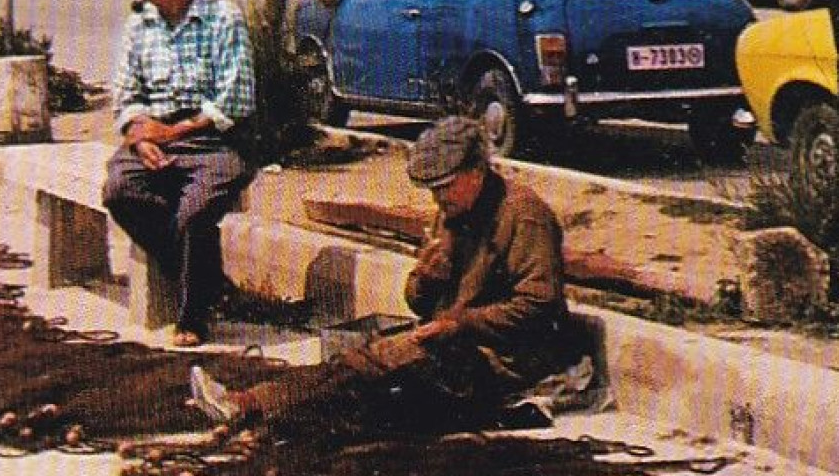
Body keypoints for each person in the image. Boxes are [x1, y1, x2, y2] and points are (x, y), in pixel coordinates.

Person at [190, 116, 575, 434]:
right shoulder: (453, 212)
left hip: (503, 360)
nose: (438, 199)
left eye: (445, 186)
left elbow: (539, 305)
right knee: (356, 364)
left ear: (476, 171)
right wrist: (427, 277)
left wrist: (459, 323)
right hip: (451, 341)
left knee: (371, 374)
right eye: (432, 190)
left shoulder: (524, 215)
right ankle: (254, 409)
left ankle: (251, 406)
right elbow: (418, 301)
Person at [102, 0, 256, 348]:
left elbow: (235, 100)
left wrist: (175, 131)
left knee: (195, 212)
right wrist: (140, 137)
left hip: (213, 139)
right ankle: (210, 282)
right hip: (155, 137)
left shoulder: (224, 18)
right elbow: (125, 94)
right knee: (119, 190)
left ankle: (193, 314)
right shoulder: (140, 24)